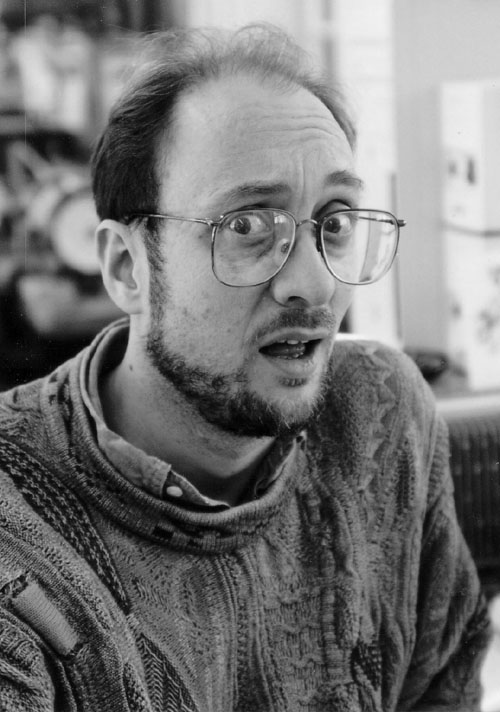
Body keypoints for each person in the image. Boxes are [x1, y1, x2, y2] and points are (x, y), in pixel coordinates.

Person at [0, 24, 490, 712]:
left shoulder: (380, 413)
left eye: (334, 222)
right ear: (127, 267)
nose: (315, 286)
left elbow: (444, 685)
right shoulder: (20, 539)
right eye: (247, 227)